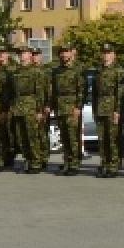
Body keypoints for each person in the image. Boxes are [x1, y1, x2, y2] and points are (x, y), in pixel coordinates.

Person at [8, 45, 50, 173]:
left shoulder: (36, 72)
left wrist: (39, 110)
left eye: (24, 53)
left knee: (32, 136)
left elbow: (40, 92)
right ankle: (28, 159)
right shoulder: (15, 72)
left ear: (30, 55)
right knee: (21, 136)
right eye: (20, 54)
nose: (22, 56)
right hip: (18, 107)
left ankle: (36, 162)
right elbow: (12, 92)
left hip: (31, 107)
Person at [49, 44, 85, 175]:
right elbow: (53, 91)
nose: (64, 55)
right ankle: (66, 162)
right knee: (64, 137)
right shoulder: (56, 71)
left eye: (66, 52)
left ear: (71, 53)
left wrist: (78, 107)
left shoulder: (77, 70)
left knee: (73, 137)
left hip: (71, 107)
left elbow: (81, 90)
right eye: (62, 53)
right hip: (60, 107)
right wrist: (52, 106)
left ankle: (74, 164)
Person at [93, 42, 124, 177]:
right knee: (102, 139)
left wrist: (117, 110)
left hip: (112, 107)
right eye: (104, 53)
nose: (106, 56)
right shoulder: (99, 70)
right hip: (100, 108)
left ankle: (113, 165)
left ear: (114, 55)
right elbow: (95, 93)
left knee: (113, 139)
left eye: (108, 53)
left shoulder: (119, 71)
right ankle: (104, 163)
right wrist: (95, 109)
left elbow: (120, 93)